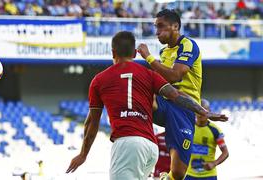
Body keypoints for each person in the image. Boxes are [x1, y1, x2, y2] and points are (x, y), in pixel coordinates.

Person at [66, 31, 227, 180]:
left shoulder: (99, 80)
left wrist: (83, 154)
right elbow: (176, 95)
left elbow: (92, 122)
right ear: (135, 54)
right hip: (150, 147)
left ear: (113, 52)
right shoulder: (149, 74)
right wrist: (203, 111)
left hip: (126, 143)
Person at [137, 9, 225, 180]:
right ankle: (134, 143)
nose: (157, 32)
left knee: (177, 174)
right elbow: (163, 83)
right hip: (165, 102)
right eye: (156, 27)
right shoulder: (163, 52)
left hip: (184, 109)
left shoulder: (188, 45)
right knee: (142, 91)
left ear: (175, 26)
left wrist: (148, 57)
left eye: (161, 27)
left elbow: (175, 75)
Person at [185, 99, 229, 180]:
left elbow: (225, 152)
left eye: (204, 110)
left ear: (209, 112)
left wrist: (214, 163)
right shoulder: (188, 127)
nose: (201, 113)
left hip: (208, 176)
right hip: (188, 174)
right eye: (199, 110)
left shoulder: (215, 131)